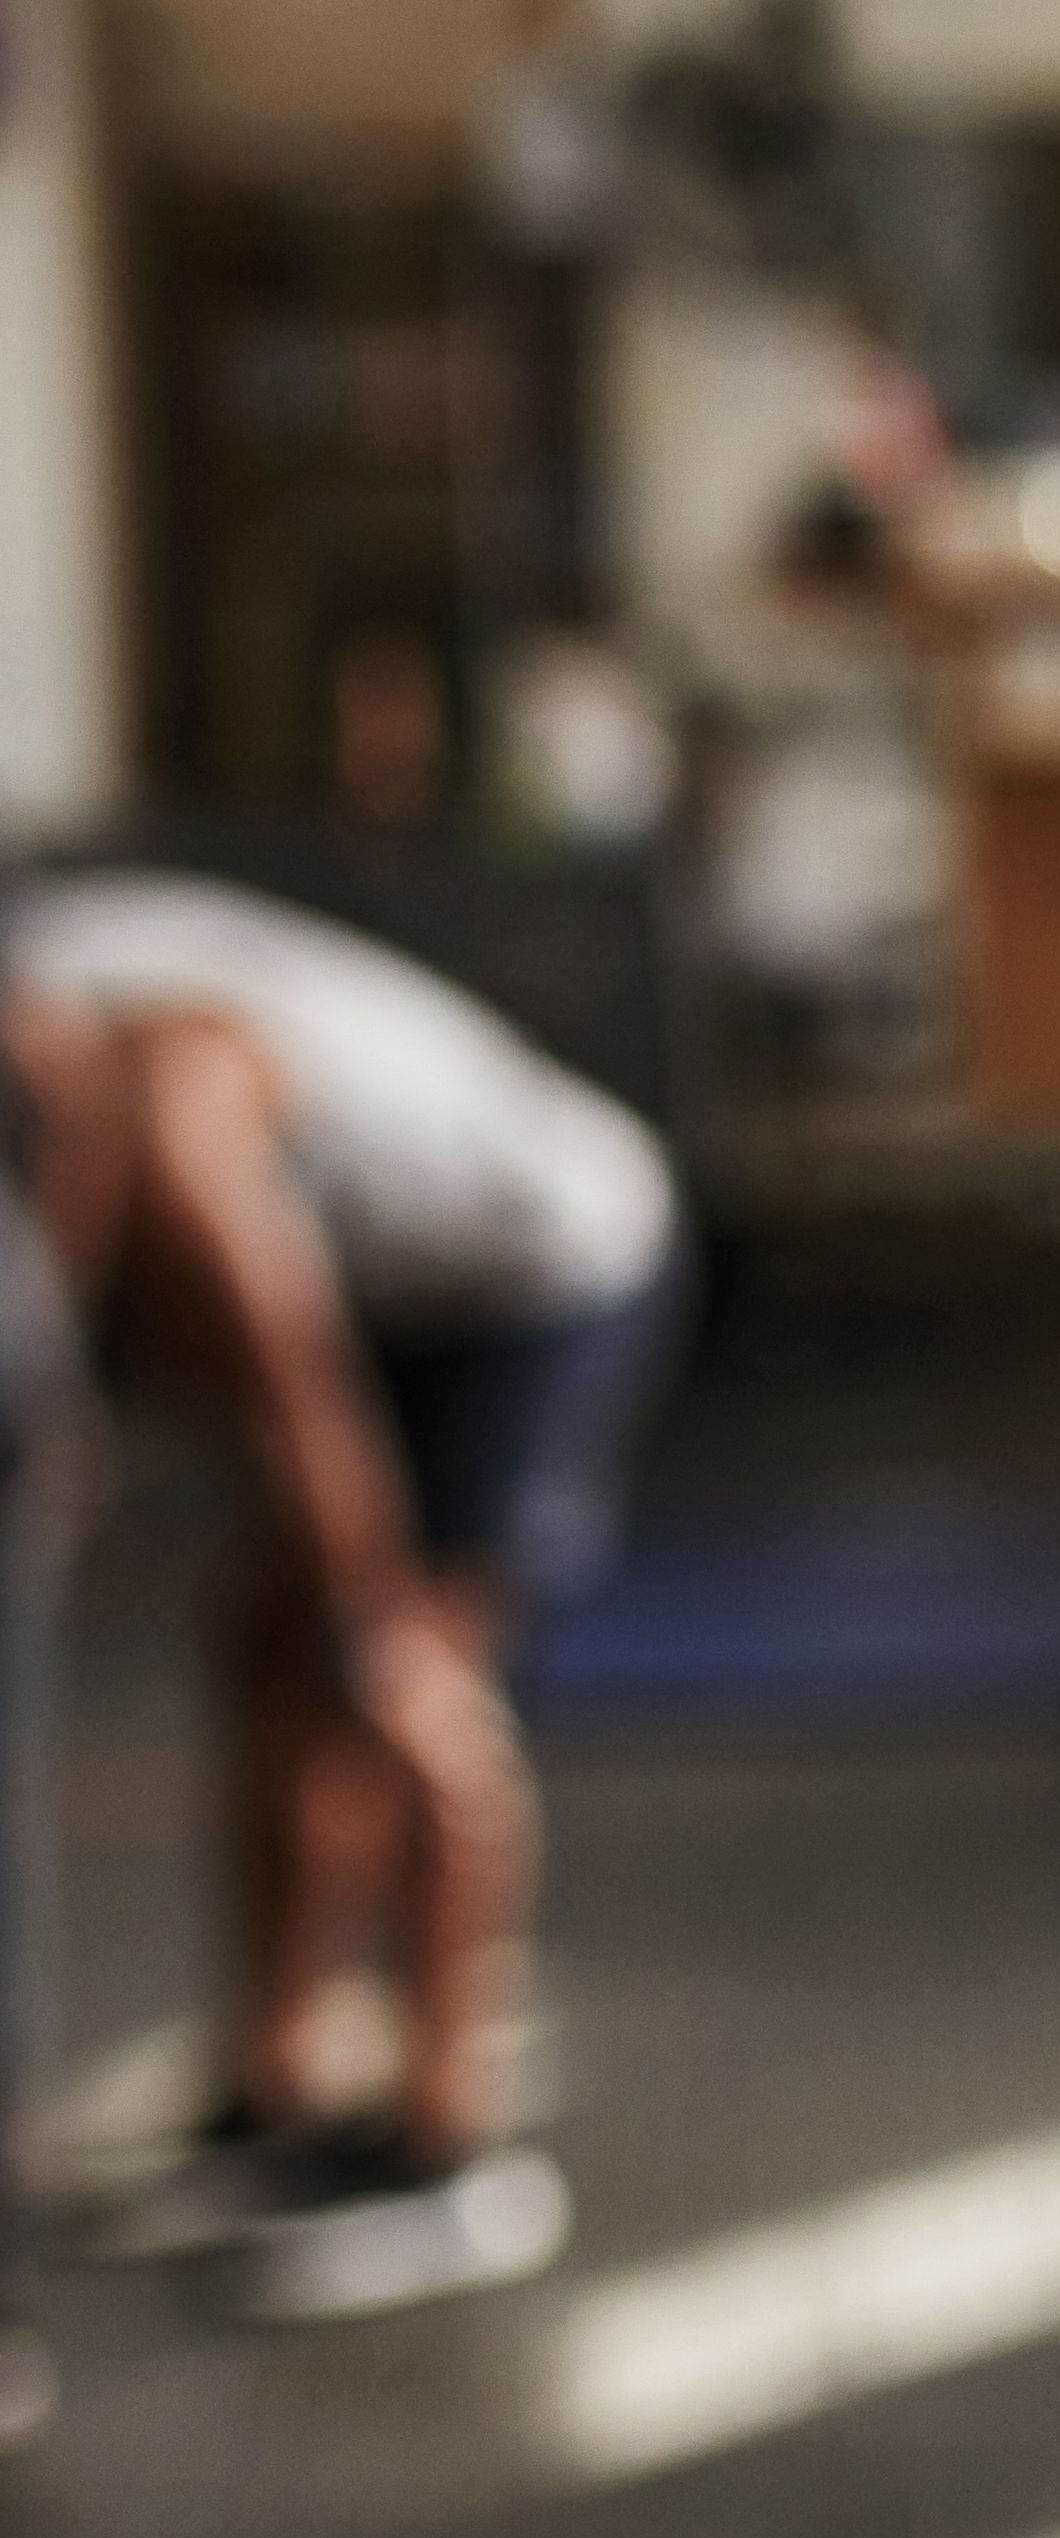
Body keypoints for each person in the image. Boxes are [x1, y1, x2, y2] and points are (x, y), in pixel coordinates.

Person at [6, 870, 680, 2325]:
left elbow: (297, 1405)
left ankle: (448, 2150)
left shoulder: (165, 1101)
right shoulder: (49, 994)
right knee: (265, 1647)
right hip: (401, 1273)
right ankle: (277, 2093)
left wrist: (364, 1602)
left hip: (544, 1269)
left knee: (404, 1666)